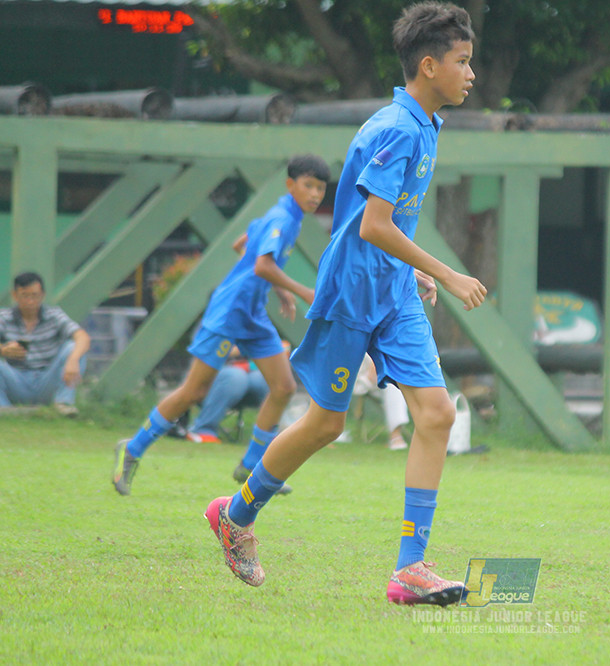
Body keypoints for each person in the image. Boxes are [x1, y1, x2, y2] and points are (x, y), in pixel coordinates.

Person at [205, 2, 486, 607]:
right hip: (352, 294)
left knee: (435, 415)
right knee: (325, 424)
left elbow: (385, 222)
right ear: (429, 65)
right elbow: (371, 227)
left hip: (392, 293)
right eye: (463, 62)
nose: (471, 74)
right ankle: (236, 514)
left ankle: (410, 568)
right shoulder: (396, 128)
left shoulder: (426, 123)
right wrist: (444, 270)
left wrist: (412, 276)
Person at [111, 154, 330, 496]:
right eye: (309, 185)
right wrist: (300, 291)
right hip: (230, 313)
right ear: (291, 185)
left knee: (284, 387)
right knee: (194, 391)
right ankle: (132, 449)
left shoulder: (285, 215)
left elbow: (241, 244)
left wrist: (278, 290)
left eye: (320, 188)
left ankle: (251, 465)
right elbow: (260, 266)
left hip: (252, 314)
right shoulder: (282, 218)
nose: (315, 194)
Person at [0, 271, 90, 416]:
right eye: (25, 295)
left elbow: (82, 337)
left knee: (73, 347)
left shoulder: (54, 315)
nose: (30, 301)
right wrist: (3, 350)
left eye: (34, 295)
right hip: (16, 380)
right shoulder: (4, 317)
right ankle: (3, 410)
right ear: (15, 295)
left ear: (42, 295)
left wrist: (73, 361)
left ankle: (64, 404)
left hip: (46, 379)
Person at [184, 345, 272, 445]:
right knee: (236, 376)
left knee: (263, 378)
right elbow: (206, 351)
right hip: (214, 377)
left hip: (250, 376)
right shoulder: (213, 329)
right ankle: (203, 429)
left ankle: (268, 435)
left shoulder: (259, 330)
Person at [352, 353, 411, 451]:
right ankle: (396, 436)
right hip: (360, 381)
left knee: (394, 383)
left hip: (388, 380)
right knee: (393, 384)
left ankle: (397, 436)